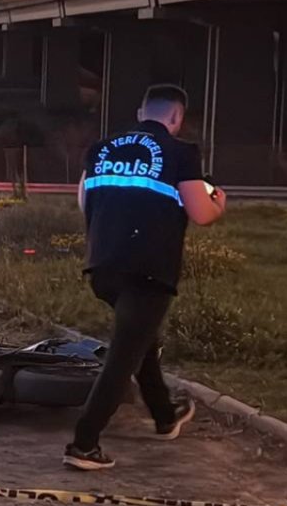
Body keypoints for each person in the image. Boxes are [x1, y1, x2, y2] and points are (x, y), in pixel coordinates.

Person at [63, 84, 227, 471]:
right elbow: (201, 213)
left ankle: (165, 416)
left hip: (102, 265)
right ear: (176, 118)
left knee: (139, 341)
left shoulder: (101, 148)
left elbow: (85, 200)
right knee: (123, 357)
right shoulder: (181, 153)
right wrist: (219, 202)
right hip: (149, 269)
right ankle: (84, 444)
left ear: (141, 112)